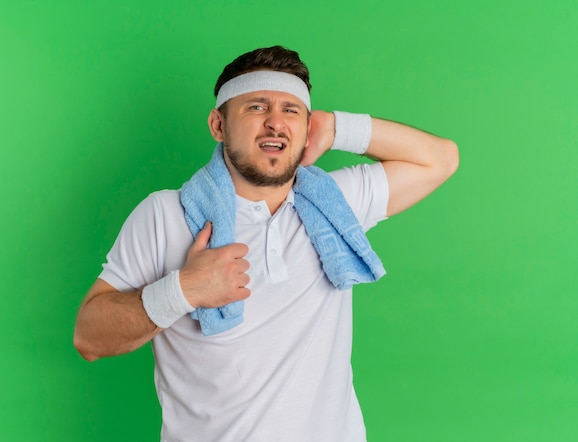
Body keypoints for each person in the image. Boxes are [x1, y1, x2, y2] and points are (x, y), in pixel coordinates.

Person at [74, 45, 458, 441]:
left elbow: (440, 159)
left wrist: (338, 127)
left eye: (291, 110)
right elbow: (88, 337)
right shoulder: (167, 215)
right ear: (218, 125)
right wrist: (184, 289)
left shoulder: (334, 208)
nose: (276, 123)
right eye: (257, 107)